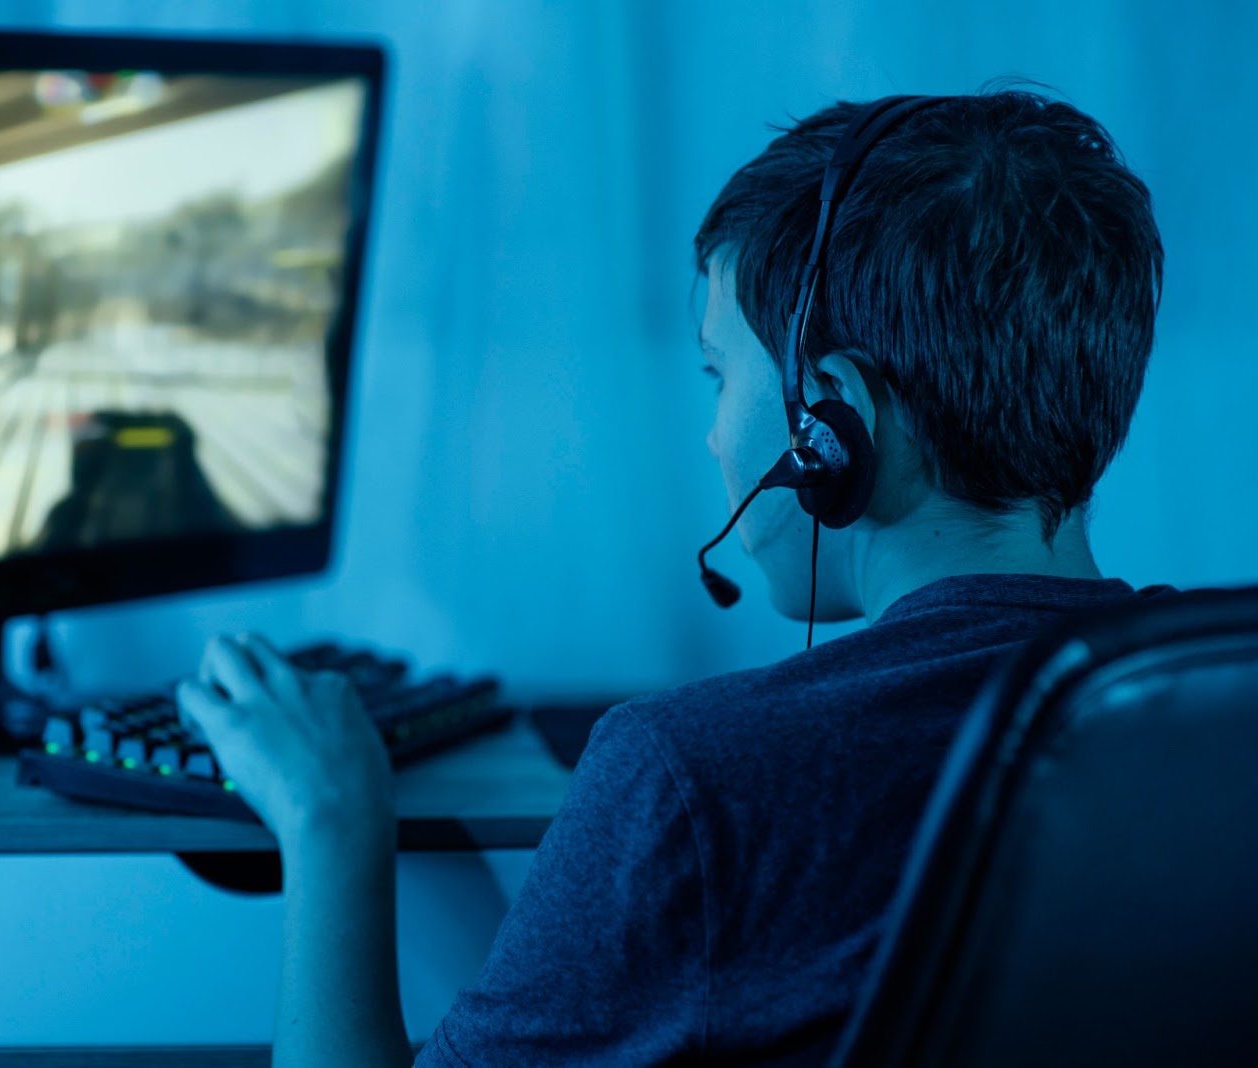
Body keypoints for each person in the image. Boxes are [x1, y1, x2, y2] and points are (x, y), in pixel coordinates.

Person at [176, 85, 1169, 1066]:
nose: (711, 433)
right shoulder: (1214, 704)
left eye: (718, 374)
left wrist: (328, 818)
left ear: (828, 424)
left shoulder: (693, 774)